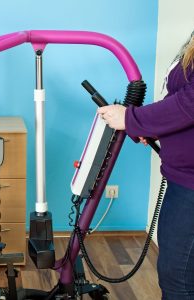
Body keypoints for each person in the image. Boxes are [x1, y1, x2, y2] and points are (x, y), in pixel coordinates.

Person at [98, 31, 194, 299]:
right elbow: (181, 97)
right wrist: (151, 126)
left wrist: (132, 118)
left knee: (179, 281)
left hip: (190, 185)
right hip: (182, 178)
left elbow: (190, 102)